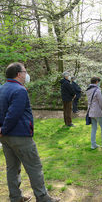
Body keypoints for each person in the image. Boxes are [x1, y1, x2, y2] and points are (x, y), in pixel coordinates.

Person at [0, 62, 59, 202]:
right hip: (19, 135)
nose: (27, 74)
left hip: (5, 137)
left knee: (12, 168)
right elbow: (13, 114)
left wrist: (2, 130)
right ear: (19, 74)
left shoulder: (2, 88)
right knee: (34, 166)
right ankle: (43, 197)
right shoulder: (20, 90)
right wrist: (4, 128)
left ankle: (15, 197)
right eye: (25, 72)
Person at [86, 76, 102, 149]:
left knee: (94, 128)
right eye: (98, 82)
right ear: (96, 82)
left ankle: (93, 145)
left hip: (90, 111)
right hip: (97, 111)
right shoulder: (97, 90)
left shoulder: (88, 90)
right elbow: (101, 103)